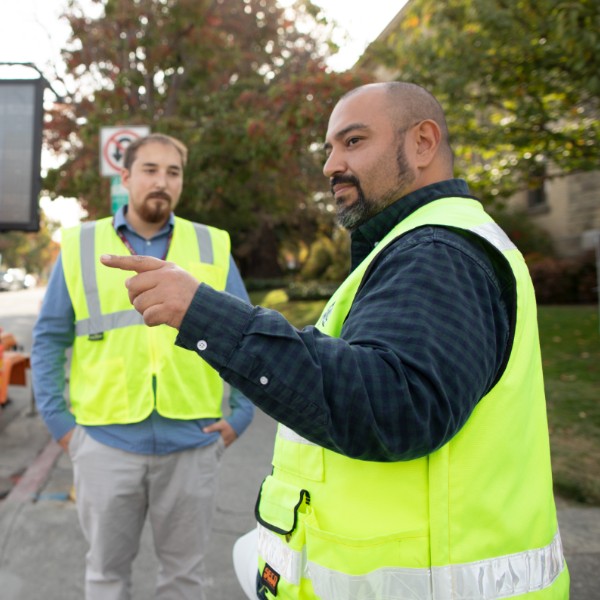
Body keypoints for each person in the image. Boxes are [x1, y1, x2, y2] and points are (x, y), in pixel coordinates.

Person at [100, 83, 569, 599]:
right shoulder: (411, 246)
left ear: (423, 143)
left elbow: (395, 406)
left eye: (353, 141)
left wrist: (205, 315)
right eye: (329, 149)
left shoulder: (437, 252)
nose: (330, 165)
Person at [31, 133, 254, 600]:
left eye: (173, 172)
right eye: (150, 170)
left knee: (184, 578)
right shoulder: (80, 245)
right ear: (126, 178)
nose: (163, 181)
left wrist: (241, 414)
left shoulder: (211, 245)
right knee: (106, 577)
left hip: (193, 442)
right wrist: (61, 425)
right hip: (103, 444)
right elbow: (49, 339)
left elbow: (246, 333)